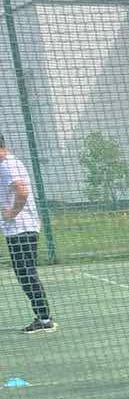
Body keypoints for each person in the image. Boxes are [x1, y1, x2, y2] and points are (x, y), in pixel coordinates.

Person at [0, 135, 54, 332]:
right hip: (17, 230)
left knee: (26, 273)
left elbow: (22, 191)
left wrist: (11, 213)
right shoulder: (6, 165)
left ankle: (45, 320)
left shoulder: (8, 165)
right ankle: (43, 317)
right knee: (24, 273)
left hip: (22, 229)